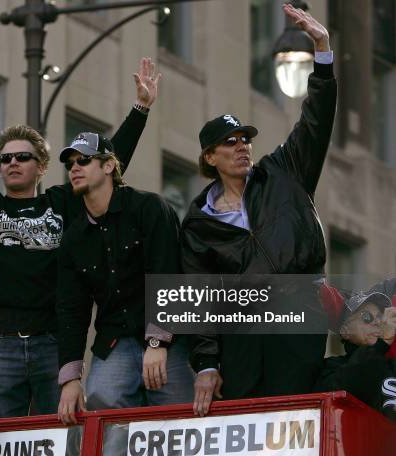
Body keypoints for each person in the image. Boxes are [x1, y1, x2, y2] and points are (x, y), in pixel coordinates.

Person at [0, 51, 161, 418]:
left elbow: (106, 163)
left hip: (54, 341)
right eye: (5, 158)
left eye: (23, 157)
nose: (13, 163)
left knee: (62, 434)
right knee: (3, 442)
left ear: (42, 167)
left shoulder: (63, 202)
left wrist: (140, 110)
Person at [180, 3, 337, 412]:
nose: (242, 147)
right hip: (241, 334)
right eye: (230, 142)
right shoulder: (199, 223)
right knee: (247, 419)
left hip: (298, 314)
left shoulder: (285, 171)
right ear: (209, 157)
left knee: (294, 416)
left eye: (245, 139)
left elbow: (315, 122)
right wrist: (206, 364)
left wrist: (322, 53)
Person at [56, 133, 216, 425]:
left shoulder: (150, 208)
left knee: (184, 423)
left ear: (108, 166)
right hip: (114, 341)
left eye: (84, 160)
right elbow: (71, 310)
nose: (74, 168)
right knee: (102, 413)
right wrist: (70, 378)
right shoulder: (73, 239)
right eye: (70, 163)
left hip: (169, 337)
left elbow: (168, 276)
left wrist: (157, 342)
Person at [316, 286, 396, 421]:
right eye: (367, 316)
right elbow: (347, 388)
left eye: (381, 318)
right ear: (345, 331)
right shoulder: (332, 367)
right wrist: (381, 344)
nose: (378, 322)